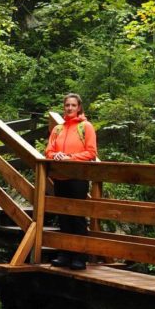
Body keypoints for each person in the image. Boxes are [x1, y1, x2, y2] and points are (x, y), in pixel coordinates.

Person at [45, 92, 98, 270]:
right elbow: (48, 151)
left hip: (78, 178)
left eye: (73, 105)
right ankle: (65, 254)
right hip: (60, 177)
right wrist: (56, 155)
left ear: (79, 107)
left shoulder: (86, 127)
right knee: (63, 217)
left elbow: (91, 152)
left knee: (77, 217)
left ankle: (79, 256)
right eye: (67, 105)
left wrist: (70, 158)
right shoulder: (58, 129)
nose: (69, 108)